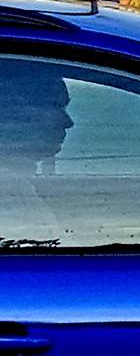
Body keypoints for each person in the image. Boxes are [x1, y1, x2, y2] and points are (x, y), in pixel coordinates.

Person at [0, 59, 75, 247]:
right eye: (56, 107)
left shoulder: (15, 185)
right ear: (13, 110)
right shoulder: (8, 192)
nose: (68, 122)